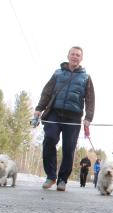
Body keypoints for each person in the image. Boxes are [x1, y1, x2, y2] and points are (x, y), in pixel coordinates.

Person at [33, 46, 95, 191]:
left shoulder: (86, 77)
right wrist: (38, 109)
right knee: (49, 139)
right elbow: (46, 92)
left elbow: (90, 99)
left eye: (78, 55)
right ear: (68, 56)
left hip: (73, 117)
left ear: (81, 58)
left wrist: (88, 118)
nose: (75, 57)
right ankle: (50, 176)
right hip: (54, 113)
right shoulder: (58, 73)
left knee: (69, 148)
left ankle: (62, 179)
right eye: (73, 54)